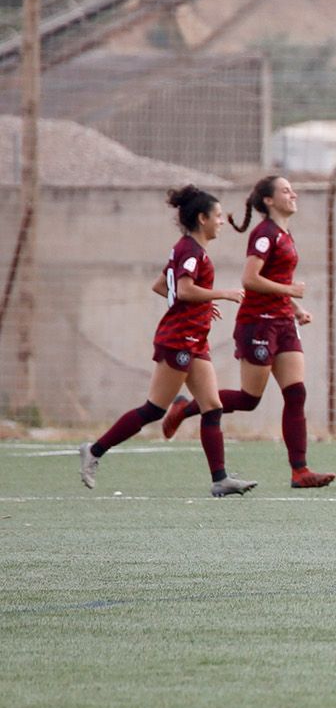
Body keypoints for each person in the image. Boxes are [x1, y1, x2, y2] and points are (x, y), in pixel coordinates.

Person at [78, 186, 256, 497]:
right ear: (202, 219)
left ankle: (220, 479)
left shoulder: (187, 248)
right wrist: (220, 294)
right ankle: (93, 450)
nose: (222, 222)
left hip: (195, 339)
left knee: (212, 406)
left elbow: (162, 285)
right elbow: (184, 290)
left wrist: (201, 304)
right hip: (179, 340)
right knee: (154, 409)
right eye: (217, 216)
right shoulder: (191, 251)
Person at [161, 175, 334, 488]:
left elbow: (273, 280)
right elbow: (249, 280)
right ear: (268, 201)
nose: (292, 193)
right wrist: (292, 291)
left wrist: (294, 309)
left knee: (296, 393)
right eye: (285, 190)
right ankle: (186, 408)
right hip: (259, 323)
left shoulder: (285, 233)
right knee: (249, 398)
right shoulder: (264, 234)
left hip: (283, 322)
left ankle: (300, 471)